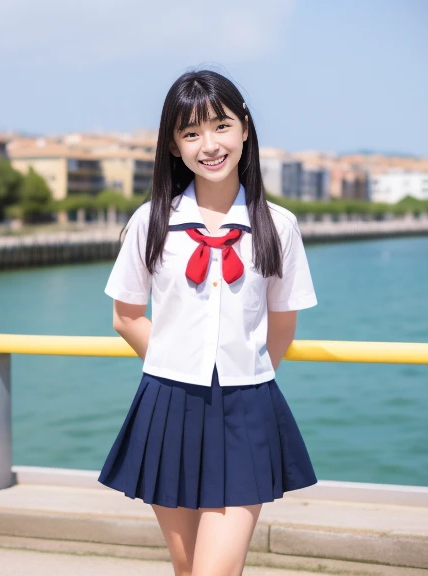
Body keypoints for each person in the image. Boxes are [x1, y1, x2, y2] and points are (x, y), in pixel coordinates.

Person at [98, 69, 319, 576]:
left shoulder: (278, 226)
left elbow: (282, 325)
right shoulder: (149, 221)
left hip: (248, 407)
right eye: (191, 133)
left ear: (244, 128)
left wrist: (239, 373)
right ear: (173, 146)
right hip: (167, 402)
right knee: (186, 568)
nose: (209, 144)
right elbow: (126, 316)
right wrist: (180, 360)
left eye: (220, 126)